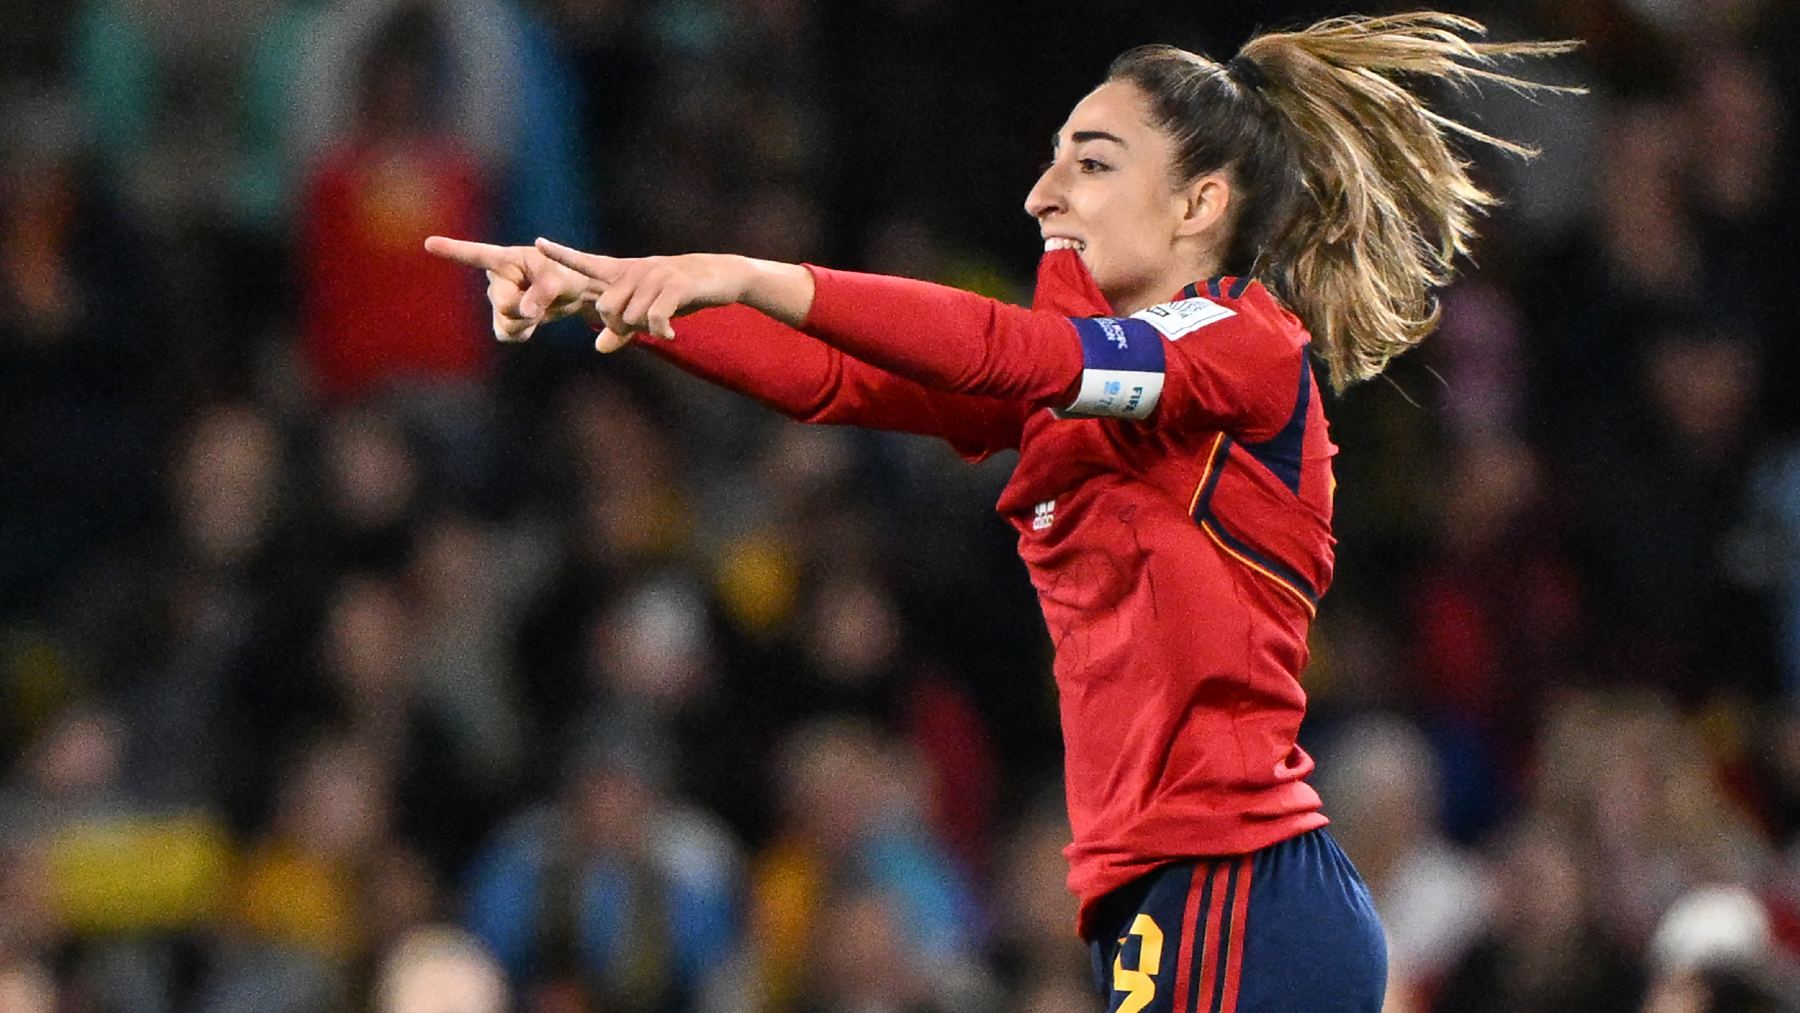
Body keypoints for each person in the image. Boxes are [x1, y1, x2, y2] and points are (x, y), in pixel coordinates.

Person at [427, 13, 1577, 1012]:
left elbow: (1017, 347)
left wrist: (743, 268)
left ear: (1199, 202)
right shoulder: (1087, 394)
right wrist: (613, 291)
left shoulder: (1243, 346)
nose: (1043, 195)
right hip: (1163, 889)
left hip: (1242, 880)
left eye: (1090, 162)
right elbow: (838, 379)